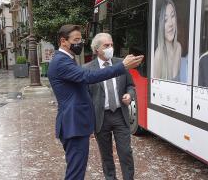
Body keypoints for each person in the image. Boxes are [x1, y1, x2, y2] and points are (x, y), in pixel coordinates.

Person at [47, 25, 143, 180]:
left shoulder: (66, 60)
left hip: (80, 123)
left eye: (81, 39)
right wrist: (122, 66)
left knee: (78, 169)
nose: (79, 43)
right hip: (74, 124)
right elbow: (88, 77)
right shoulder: (61, 62)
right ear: (63, 41)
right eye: (76, 40)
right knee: (75, 173)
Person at [85, 33, 135, 180]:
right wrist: (88, 124)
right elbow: (86, 97)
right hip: (101, 117)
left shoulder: (122, 64)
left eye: (111, 44)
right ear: (96, 49)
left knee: (126, 152)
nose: (110, 48)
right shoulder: (88, 69)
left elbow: (131, 85)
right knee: (106, 155)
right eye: (106, 46)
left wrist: (129, 95)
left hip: (120, 114)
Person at [153, 0, 183, 82]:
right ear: (160, 26)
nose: (170, 24)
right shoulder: (159, 55)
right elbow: (155, 89)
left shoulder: (178, 47)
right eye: (165, 20)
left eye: (173, 16)